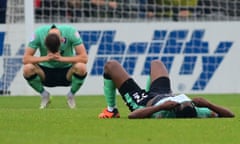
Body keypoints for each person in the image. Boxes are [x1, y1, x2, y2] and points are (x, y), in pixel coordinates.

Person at [98, 59, 234, 119]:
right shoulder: (198, 111)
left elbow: (133, 115)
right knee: (157, 63)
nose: (187, 101)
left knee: (111, 66)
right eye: (187, 101)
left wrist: (161, 107)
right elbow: (230, 115)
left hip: (144, 102)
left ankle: (111, 110)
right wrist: (209, 104)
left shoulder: (163, 113)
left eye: (183, 103)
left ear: (175, 108)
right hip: (163, 92)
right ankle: (150, 89)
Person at [22, 24, 88, 109]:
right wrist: (46, 58)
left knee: (81, 67)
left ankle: (71, 95)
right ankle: (45, 95)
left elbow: (84, 58)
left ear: (61, 40)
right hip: (45, 73)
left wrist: (61, 58)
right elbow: (25, 59)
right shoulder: (39, 33)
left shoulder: (71, 32)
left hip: (67, 72)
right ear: (45, 42)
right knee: (27, 68)